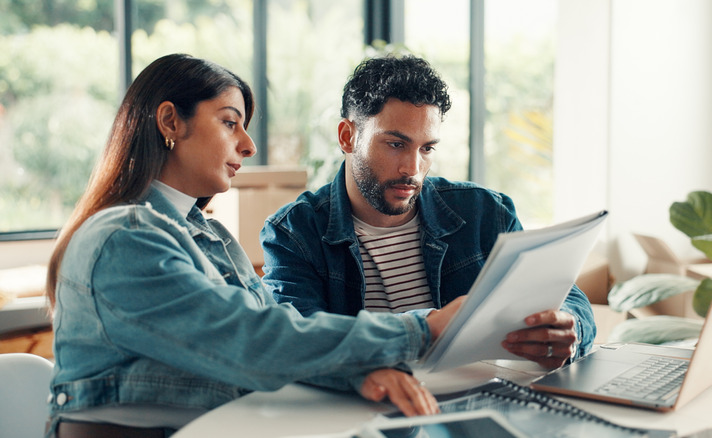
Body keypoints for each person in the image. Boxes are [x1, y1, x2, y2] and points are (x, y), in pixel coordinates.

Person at [44, 53, 464, 437]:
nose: (248, 145)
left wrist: (352, 374)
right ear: (170, 121)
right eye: (230, 122)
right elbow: (251, 338)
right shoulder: (123, 238)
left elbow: (275, 327)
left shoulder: (210, 236)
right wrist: (422, 330)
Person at [260, 54, 596, 370]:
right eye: (395, 144)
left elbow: (566, 296)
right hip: (362, 406)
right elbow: (298, 343)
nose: (413, 168)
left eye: (427, 148)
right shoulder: (293, 233)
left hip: (475, 400)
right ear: (348, 137)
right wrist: (426, 328)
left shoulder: (486, 212)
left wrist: (570, 330)